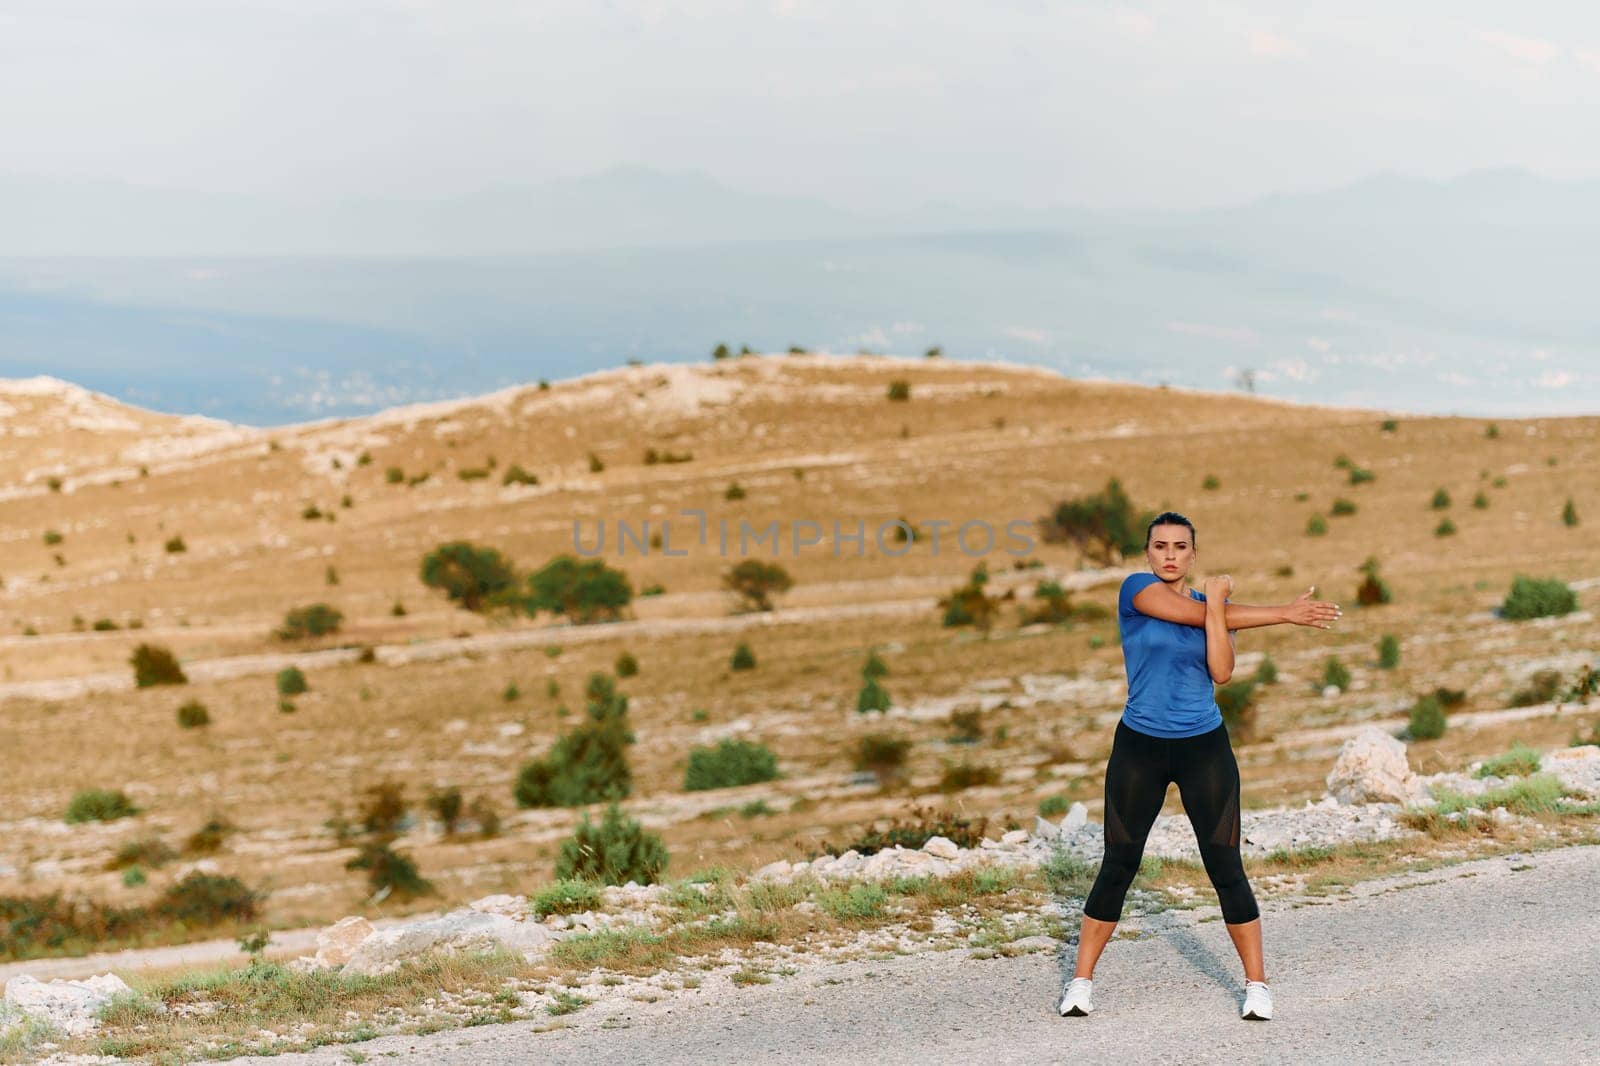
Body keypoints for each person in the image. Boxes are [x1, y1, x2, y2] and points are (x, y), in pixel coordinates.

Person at [1057, 510, 1340, 1022]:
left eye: (1180, 547)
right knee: (1119, 863)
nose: (1169, 555)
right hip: (1139, 746)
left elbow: (1222, 671)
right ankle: (1080, 983)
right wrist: (1275, 611)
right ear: (1147, 554)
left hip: (1202, 747)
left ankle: (1257, 986)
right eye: (1160, 546)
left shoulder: (1214, 608)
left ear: (1193, 553)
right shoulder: (1136, 590)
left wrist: (1219, 606)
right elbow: (1189, 615)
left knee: (1224, 865)